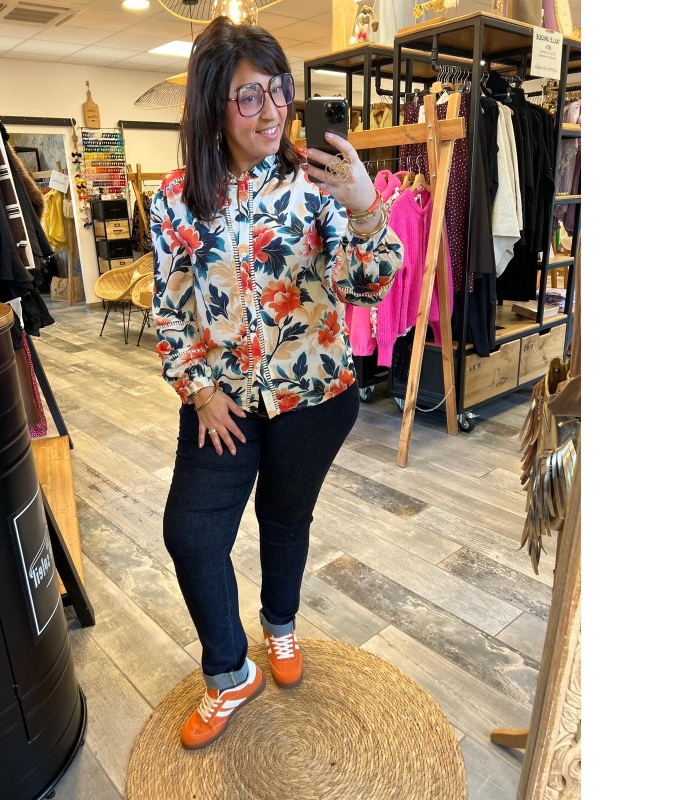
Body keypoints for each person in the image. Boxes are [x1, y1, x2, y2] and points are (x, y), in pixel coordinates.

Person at [150, 16, 404, 750]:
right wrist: (198, 388)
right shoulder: (175, 198)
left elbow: (364, 288)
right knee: (191, 534)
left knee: (286, 518)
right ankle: (230, 671)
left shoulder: (318, 185)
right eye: (249, 96)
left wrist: (363, 206)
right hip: (222, 400)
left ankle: (280, 624)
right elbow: (169, 305)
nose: (272, 112)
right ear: (212, 105)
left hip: (315, 397)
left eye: (280, 90)